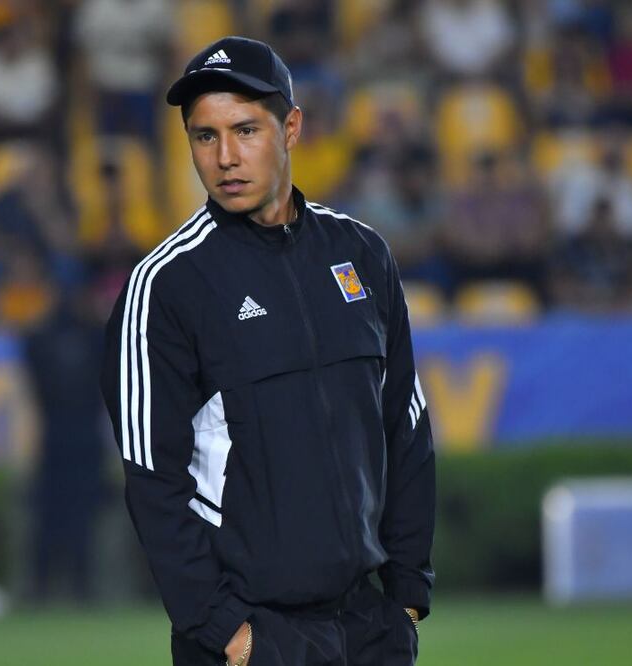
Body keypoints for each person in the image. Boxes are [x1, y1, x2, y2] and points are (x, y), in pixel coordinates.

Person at [100, 37, 435, 666]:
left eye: (246, 130)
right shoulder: (165, 285)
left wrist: (407, 595)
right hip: (250, 638)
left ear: (291, 128)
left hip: (369, 628)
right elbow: (151, 480)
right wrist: (226, 631)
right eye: (205, 136)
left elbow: (406, 429)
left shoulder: (363, 254)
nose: (225, 157)